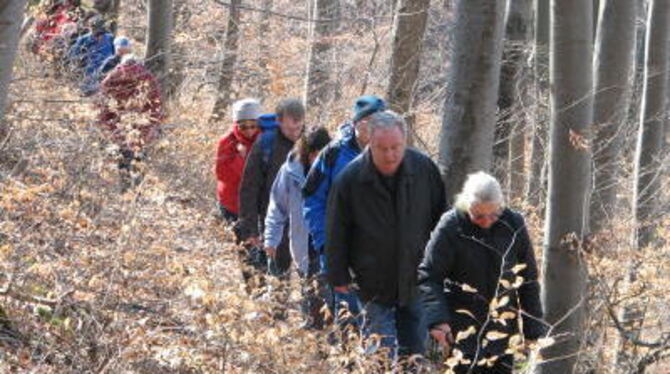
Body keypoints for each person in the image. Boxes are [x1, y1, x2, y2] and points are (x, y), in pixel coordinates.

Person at [326, 111, 446, 366]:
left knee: (414, 352)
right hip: (371, 280)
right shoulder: (350, 179)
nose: (390, 155)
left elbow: (440, 222)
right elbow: (336, 230)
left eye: (396, 147)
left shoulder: (424, 170)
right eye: (383, 148)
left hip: (415, 277)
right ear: (370, 142)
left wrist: (443, 268)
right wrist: (338, 275)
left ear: (405, 142)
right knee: (379, 353)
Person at [417, 172, 546, 374]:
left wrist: (534, 331)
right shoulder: (451, 225)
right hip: (461, 332)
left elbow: (528, 280)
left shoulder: (513, 224)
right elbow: (429, 275)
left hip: (504, 332)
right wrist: (438, 320)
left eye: (493, 215)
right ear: (467, 206)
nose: (486, 221)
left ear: (501, 207)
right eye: (478, 216)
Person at [302, 95, 386, 323]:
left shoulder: (392, 153)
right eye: (371, 121)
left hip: (381, 256)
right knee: (348, 319)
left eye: (382, 120)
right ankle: (347, 358)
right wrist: (324, 243)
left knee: (379, 323)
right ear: (357, 123)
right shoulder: (333, 154)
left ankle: (373, 358)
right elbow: (311, 199)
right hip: (341, 251)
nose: (377, 127)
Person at [264, 127, 331, 328]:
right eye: (313, 154)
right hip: (302, 242)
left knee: (325, 294)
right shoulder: (290, 171)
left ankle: (326, 336)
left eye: (320, 154)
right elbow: (277, 207)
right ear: (306, 152)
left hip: (328, 241)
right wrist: (271, 239)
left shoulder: (335, 169)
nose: (316, 159)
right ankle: (313, 333)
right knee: (309, 291)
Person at [236, 98, 305, 285]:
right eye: (291, 129)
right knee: (278, 280)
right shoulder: (265, 144)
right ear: (279, 121)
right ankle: (276, 312)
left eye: (299, 128)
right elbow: (249, 189)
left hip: (304, 223)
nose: (295, 134)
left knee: (311, 281)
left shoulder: (310, 142)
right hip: (275, 222)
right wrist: (250, 230)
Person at [97, 54, 163, 192]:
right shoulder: (147, 77)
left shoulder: (113, 76)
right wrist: (155, 123)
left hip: (120, 123)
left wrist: (105, 122)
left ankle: (125, 188)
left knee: (124, 153)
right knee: (140, 154)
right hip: (142, 124)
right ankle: (138, 188)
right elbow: (156, 102)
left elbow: (103, 102)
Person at [214, 99, 262, 223]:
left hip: (258, 206)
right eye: (243, 127)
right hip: (232, 206)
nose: (249, 131)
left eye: (253, 126)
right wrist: (241, 158)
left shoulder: (265, 140)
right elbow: (222, 175)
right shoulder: (227, 142)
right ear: (236, 124)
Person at [67, 16, 114, 95]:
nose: (96, 31)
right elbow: (73, 53)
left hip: (107, 67)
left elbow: (116, 53)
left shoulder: (110, 38)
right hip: (89, 68)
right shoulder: (84, 39)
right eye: (94, 28)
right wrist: (81, 59)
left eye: (98, 28)